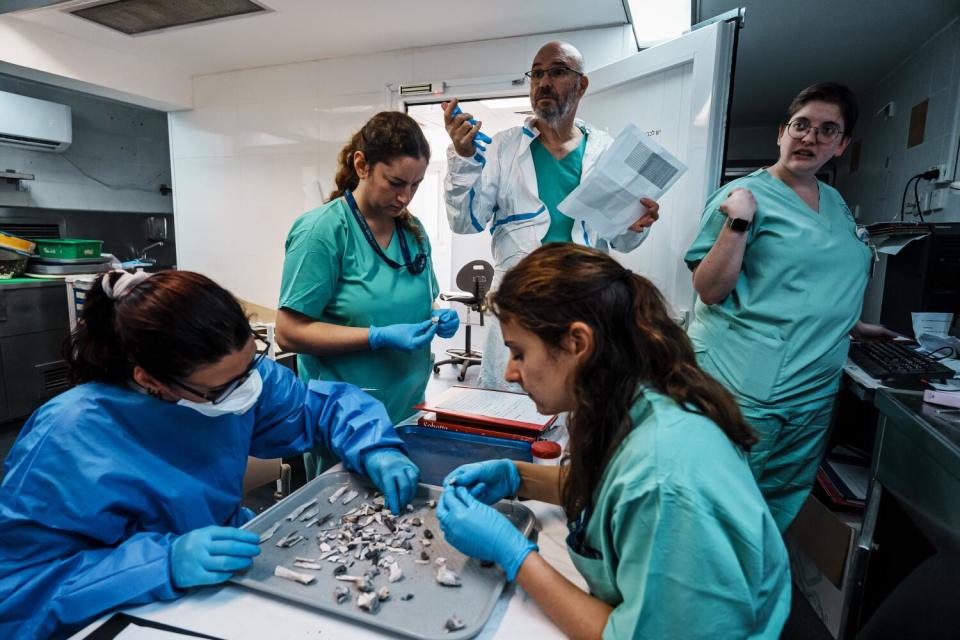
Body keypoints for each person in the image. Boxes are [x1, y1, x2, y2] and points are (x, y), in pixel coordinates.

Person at [0, 269, 420, 638]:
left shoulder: (233, 376)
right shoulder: (67, 439)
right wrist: (160, 564)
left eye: (251, 366)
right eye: (221, 388)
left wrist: (376, 444)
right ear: (151, 381)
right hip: (134, 611)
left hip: (229, 582)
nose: (248, 390)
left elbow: (319, 407)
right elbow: (21, 591)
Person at [436, 244, 791, 639]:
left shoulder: (665, 477)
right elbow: (612, 489)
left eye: (519, 352)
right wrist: (519, 478)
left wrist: (514, 555)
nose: (511, 372)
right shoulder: (628, 394)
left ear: (577, 343)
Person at [684, 82, 893, 532]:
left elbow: (807, 282)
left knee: (773, 509)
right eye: (801, 125)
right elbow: (710, 288)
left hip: (813, 389)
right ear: (782, 133)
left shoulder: (834, 201)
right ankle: (701, 598)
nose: (810, 138)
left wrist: (851, 324)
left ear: (841, 145)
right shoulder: (743, 196)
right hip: (743, 385)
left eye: (826, 130)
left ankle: (750, 593)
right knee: (718, 508)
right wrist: (739, 222)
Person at [442, 41, 660, 390]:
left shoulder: (605, 151)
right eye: (537, 73)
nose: (543, 82)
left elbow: (623, 239)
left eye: (557, 72)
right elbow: (464, 221)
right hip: (520, 309)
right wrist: (465, 158)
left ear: (581, 84)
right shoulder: (503, 147)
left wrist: (635, 225)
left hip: (584, 307)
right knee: (510, 408)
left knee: (579, 409)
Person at [276, 111, 458, 479]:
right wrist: (375, 337)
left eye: (416, 185)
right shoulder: (322, 233)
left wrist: (439, 313)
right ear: (362, 165)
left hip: (408, 410)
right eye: (395, 183)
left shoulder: (413, 232)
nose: (405, 197)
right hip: (348, 422)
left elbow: (427, 296)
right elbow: (288, 331)